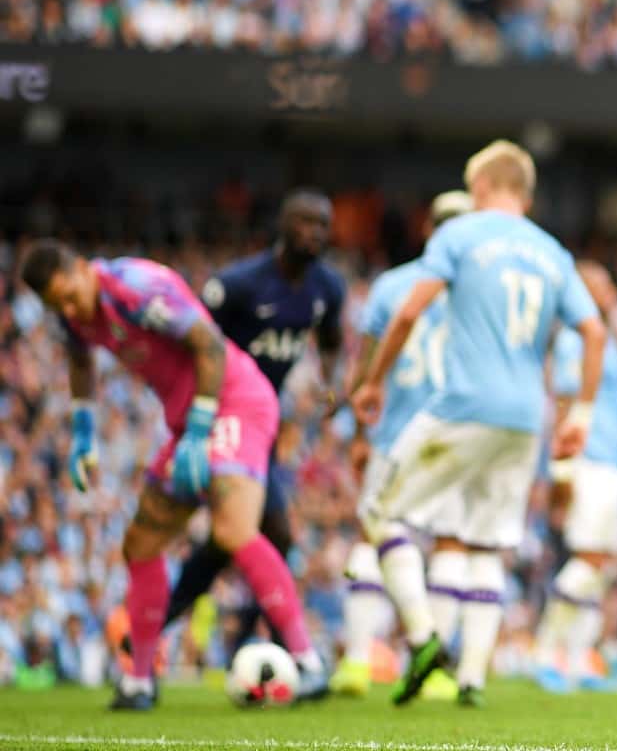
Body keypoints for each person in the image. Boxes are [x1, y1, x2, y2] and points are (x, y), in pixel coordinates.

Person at [354, 140, 607, 708]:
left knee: (378, 512)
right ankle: (471, 677)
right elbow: (593, 331)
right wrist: (581, 414)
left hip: (462, 406)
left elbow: (411, 311)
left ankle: (423, 637)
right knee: (487, 544)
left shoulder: (461, 234)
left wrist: (372, 380)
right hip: (524, 419)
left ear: (485, 185)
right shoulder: (552, 252)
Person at [20, 242, 328, 709]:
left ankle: (308, 662)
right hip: (187, 423)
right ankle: (140, 681)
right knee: (140, 545)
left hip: (236, 403)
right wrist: (83, 431)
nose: (68, 310)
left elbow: (209, 344)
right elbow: (80, 359)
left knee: (233, 530)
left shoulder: (137, 288)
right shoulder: (73, 315)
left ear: (82, 269)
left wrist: (200, 428)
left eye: (69, 296)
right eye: (55, 305)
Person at [164, 190, 345, 660]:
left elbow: (330, 343)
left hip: (262, 423)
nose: (315, 233)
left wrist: (329, 388)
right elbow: (194, 344)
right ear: (282, 226)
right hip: (223, 415)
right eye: (305, 222)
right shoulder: (238, 285)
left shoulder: (327, 288)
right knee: (272, 531)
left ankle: (174, 621)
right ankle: (288, 649)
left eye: (323, 225)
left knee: (235, 535)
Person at [332, 189, 471, 699]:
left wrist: (359, 434)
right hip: (458, 432)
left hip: (394, 433)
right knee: (451, 542)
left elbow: (365, 367)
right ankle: (436, 670)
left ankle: (356, 661)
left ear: (429, 228)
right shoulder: (477, 289)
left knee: (374, 534)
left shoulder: (391, 285)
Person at [535, 260, 617, 694]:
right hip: (588, 459)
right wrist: (562, 470)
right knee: (587, 559)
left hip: (613, 461)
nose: (610, 291)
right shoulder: (574, 340)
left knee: (601, 565)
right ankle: (545, 653)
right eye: (602, 285)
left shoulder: (606, 341)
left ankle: (579, 660)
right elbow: (564, 403)